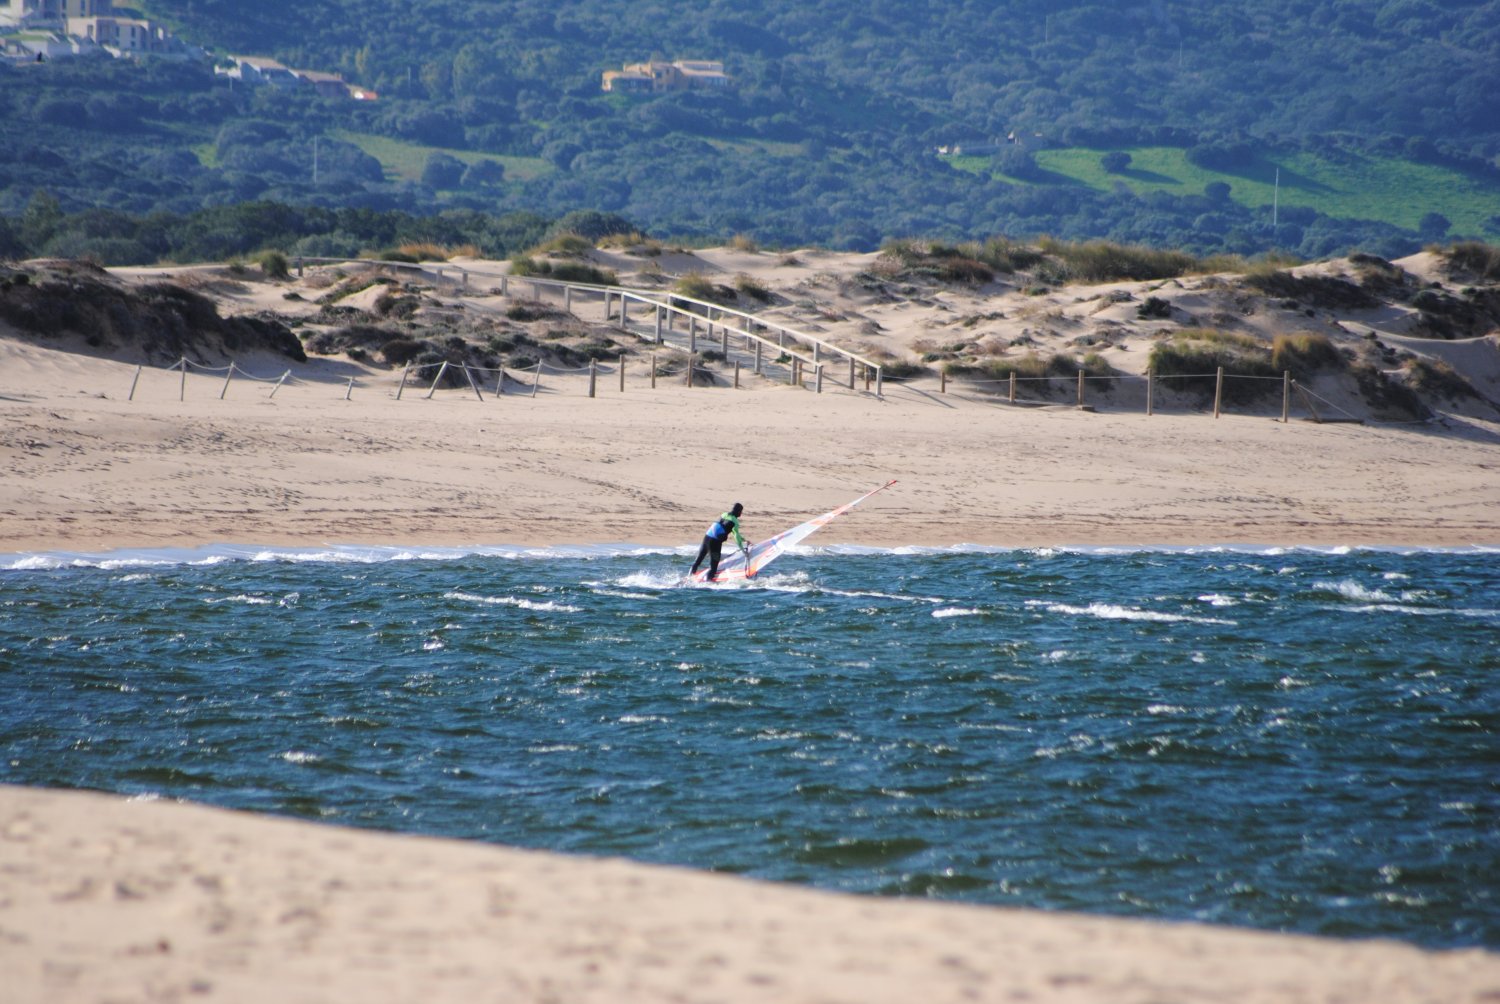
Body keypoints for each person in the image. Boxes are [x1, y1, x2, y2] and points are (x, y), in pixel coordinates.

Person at [690, 502, 750, 581]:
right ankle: (706, 584)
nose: (741, 513)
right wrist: (744, 552)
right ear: (738, 511)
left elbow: (735, 534)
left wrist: (744, 540)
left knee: (697, 562)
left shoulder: (724, 514)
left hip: (706, 538)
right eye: (741, 511)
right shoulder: (734, 521)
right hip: (714, 543)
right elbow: (737, 538)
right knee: (713, 568)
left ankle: (689, 579)